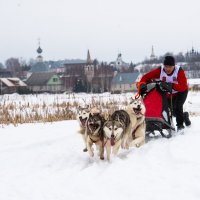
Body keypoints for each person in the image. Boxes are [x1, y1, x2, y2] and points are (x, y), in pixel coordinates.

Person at [138, 55, 191, 131]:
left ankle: (180, 126)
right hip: (169, 94)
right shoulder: (160, 70)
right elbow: (146, 77)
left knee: (178, 107)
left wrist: (171, 85)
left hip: (181, 92)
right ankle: (185, 115)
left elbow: (183, 86)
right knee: (173, 112)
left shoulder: (179, 71)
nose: (168, 69)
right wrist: (142, 84)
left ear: (174, 66)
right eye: (166, 66)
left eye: (170, 67)